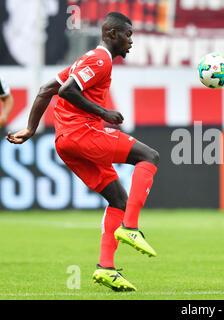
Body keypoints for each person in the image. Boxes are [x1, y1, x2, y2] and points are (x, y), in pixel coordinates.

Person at [6, 12, 159, 292]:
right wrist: (104, 112)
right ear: (112, 34)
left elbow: (46, 89)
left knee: (118, 199)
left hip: (66, 143)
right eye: (127, 35)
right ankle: (131, 228)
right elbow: (66, 90)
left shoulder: (87, 59)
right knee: (149, 156)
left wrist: (30, 129)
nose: (131, 41)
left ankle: (106, 268)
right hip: (82, 134)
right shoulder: (99, 60)